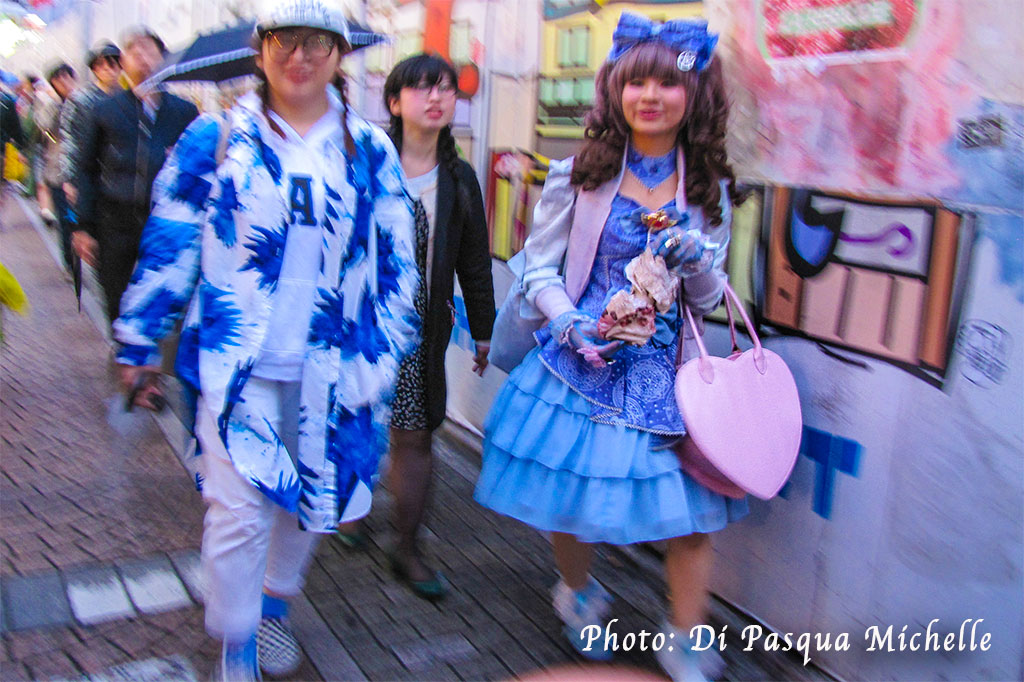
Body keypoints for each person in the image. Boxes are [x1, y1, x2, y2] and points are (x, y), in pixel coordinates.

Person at [111, 1, 418, 679]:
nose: (300, 55)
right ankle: (238, 637)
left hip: (335, 370)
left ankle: (276, 606)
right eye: (285, 40)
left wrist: (389, 348)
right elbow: (171, 241)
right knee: (237, 515)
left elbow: (400, 257)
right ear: (260, 50)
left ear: (339, 54)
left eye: (317, 42)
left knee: (313, 504)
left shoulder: (368, 146)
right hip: (237, 368)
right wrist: (137, 338)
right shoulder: (216, 139)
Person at [473, 13, 747, 682]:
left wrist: (695, 257)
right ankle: (578, 591)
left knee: (690, 519)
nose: (651, 95)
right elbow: (534, 265)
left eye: (668, 83)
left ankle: (685, 636)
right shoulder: (581, 174)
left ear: (694, 97)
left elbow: (711, 298)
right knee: (571, 500)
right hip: (581, 364)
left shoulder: (709, 187)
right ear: (616, 91)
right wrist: (569, 322)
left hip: (670, 376)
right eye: (637, 82)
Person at [337, 54, 495, 599]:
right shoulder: (362, 162)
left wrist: (483, 327)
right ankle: (349, 512)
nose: (436, 97)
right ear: (395, 101)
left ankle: (406, 547)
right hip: (358, 323)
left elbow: (474, 259)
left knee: (415, 434)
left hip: (420, 330)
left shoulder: (459, 178)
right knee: (354, 421)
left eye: (446, 89)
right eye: (422, 88)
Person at [72, 27, 198, 327]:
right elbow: (86, 168)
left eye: (148, 49)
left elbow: (198, 169)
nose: (140, 56)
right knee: (117, 295)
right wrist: (83, 226)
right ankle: (125, 353)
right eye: (132, 50)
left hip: (166, 221)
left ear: (163, 57)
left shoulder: (184, 111)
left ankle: (151, 361)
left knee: (165, 298)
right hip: (114, 221)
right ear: (124, 61)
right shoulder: (105, 110)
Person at [60, 42, 123, 209]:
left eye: (112, 64)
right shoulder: (80, 99)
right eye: (101, 65)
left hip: (120, 176)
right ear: (94, 69)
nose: (108, 69)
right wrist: (70, 179)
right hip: (88, 172)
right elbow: (69, 138)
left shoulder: (128, 98)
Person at [40, 63, 78, 271]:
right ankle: (70, 263)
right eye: (58, 79)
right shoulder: (51, 106)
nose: (64, 82)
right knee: (66, 221)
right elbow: (44, 131)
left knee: (82, 221)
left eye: (67, 77)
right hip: (58, 172)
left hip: (82, 172)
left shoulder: (84, 101)